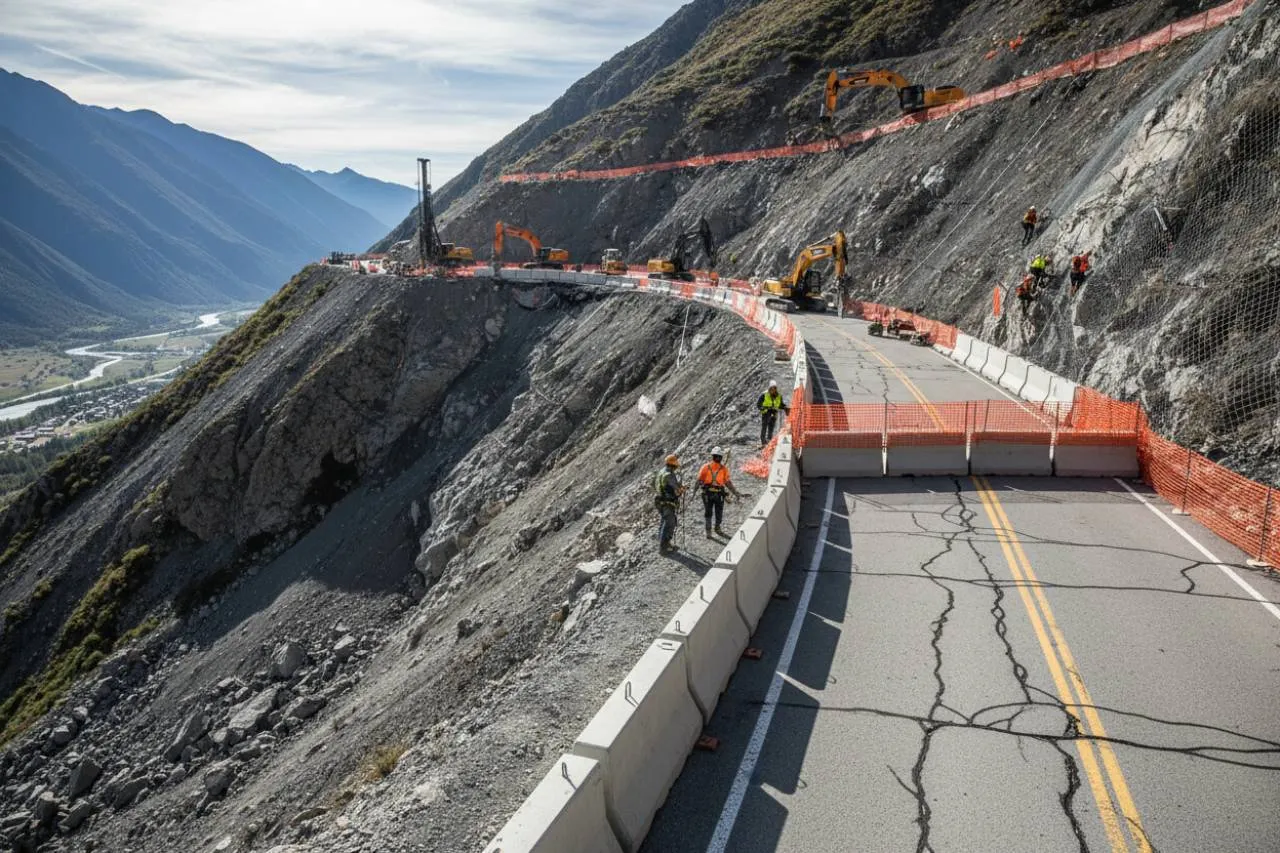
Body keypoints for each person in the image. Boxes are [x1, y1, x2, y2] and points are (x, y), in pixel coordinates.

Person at [697, 447, 742, 537]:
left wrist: (695, 491)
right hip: (718, 494)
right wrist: (735, 492)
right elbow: (727, 483)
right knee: (718, 512)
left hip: (707, 493)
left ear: (712, 456)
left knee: (708, 512)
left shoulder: (705, 467)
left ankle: (708, 532)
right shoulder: (723, 469)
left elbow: (699, 480)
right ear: (721, 457)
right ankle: (717, 528)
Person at [654, 453, 684, 553]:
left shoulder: (661, 472)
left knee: (664, 521)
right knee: (670, 523)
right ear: (673, 465)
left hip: (659, 500)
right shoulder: (669, 474)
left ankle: (664, 543)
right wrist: (682, 489)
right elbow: (676, 490)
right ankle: (663, 547)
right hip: (667, 501)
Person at [757, 380, 790, 445]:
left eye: (774, 388)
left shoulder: (779, 396)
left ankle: (769, 440)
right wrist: (762, 408)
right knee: (764, 426)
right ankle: (763, 441)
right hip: (766, 412)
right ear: (769, 388)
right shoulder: (764, 395)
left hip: (774, 412)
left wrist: (785, 407)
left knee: (771, 426)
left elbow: (780, 404)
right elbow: (759, 404)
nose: (773, 390)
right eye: (771, 388)